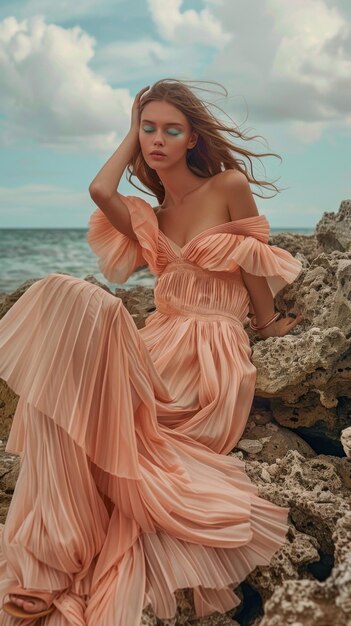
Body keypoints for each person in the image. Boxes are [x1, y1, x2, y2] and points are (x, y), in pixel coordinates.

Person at [0, 78, 303, 624]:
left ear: (193, 139)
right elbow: (99, 191)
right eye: (149, 129)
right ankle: (50, 560)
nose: (158, 139)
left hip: (210, 355)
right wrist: (129, 134)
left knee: (91, 315)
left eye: (171, 129)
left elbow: (256, 266)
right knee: (63, 363)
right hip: (155, 342)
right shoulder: (153, 218)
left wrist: (270, 323)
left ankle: (59, 555)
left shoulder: (228, 185)